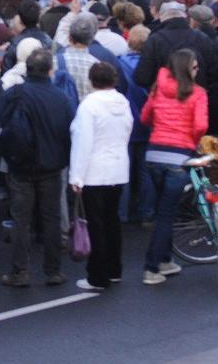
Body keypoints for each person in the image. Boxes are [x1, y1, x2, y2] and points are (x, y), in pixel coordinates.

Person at [0, 47, 75, 288]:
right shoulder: (61, 98)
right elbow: (70, 133)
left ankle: (20, 271)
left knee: (21, 219)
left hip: (20, 165)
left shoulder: (14, 94)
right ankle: (53, 270)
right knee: (51, 217)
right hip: (51, 165)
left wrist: (2, 155)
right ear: (50, 70)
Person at [140, 48, 209, 283]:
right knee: (166, 215)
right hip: (179, 157)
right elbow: (200, 125)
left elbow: (145, 117)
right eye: (195, 66)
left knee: (162, 209)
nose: (197, 70)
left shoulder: (158, 89)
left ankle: (165, 260)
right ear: (187, 69)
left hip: (153, 154)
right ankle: (151, 268)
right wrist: (193, 140)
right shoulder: (197, 93)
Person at [69, 61, 133, 291]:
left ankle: (98, 275)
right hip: (118, 168)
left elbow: (83, 142)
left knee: (95, 224)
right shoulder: (123, 102)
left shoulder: (89, 106)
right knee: (112, 221)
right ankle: (115, 269)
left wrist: (76, 176)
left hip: (94, 171)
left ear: (91, 80)